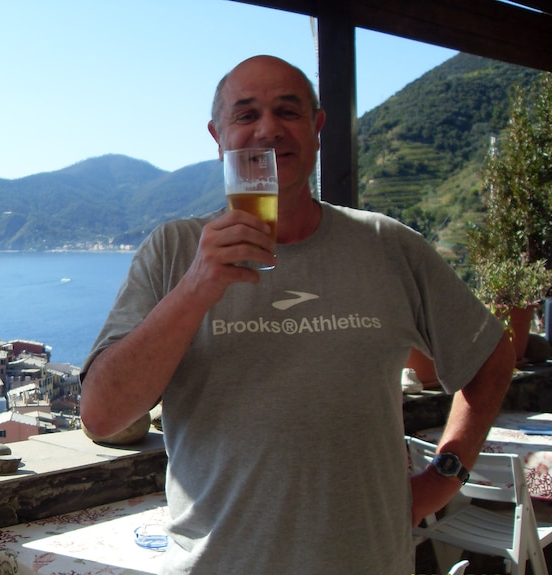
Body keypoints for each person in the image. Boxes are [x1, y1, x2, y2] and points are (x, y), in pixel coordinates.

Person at [79, 55, 515, 574]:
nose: (268, 129)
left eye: (288, 111)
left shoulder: (387, 245)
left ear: (317, 128)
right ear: (218, 136)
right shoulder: (174, 250)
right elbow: (101, 414)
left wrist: (444, 475)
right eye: (245, 115)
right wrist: (195, 288)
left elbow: (490, 359)